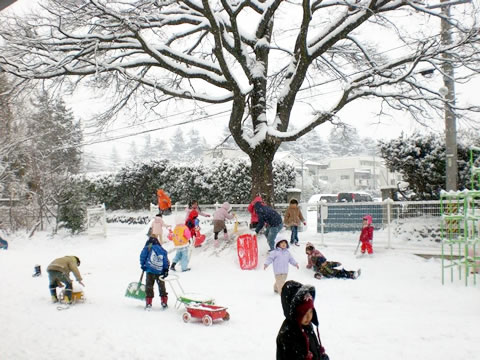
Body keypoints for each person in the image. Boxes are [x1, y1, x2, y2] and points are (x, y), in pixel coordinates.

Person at [276, 280, 329, 360]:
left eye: (311, 311)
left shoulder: (307, 326)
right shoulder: (287, 336)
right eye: (304, 312)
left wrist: (321, 357)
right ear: (295, 313)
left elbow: (314, 347)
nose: (309, 317)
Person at [140, 236, 169, 310]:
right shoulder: (161, 249)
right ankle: (164, 302)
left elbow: (142, 256)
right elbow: (165, 260)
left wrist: (143, 265)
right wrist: (166, 269)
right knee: (161, 286)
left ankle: (149, 303)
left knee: (149, 286)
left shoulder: (148, 247)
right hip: (160, 272)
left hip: (150, 271)